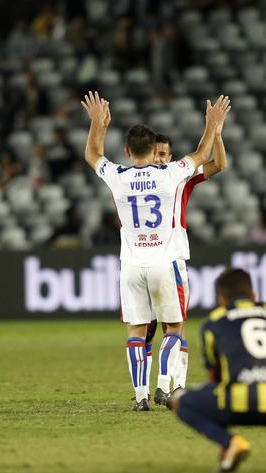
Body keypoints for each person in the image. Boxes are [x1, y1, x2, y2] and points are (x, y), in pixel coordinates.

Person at [81, 91, 231, 411]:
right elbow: (203, 153)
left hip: (131, 265)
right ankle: (165, 383)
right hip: (165, 261)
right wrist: (212, 124)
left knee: (136, 331)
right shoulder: (170, 174)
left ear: (127, 150)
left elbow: (93, 156)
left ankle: (140, 397)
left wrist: (98, 124)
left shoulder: (118, 177)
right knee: (174, 328)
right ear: (153, 151)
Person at [169, 268, 266, 473]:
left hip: (238, 401)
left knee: (180, 401)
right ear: (254, 294)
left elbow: (215, 376)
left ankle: (230, 443)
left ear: (221, 299)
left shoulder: (214, 322)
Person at [146, 129, 228, 405]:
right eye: (155, 153)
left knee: (174, 326)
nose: (159, 158)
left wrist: (216, 134)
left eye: (163, 154)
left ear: (170, 157)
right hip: (157, 259)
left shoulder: (179, 175)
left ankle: (172, 385)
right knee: (162, 328)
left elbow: (219, 164)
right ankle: (162, 386)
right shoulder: (140, 179)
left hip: (167, 257)